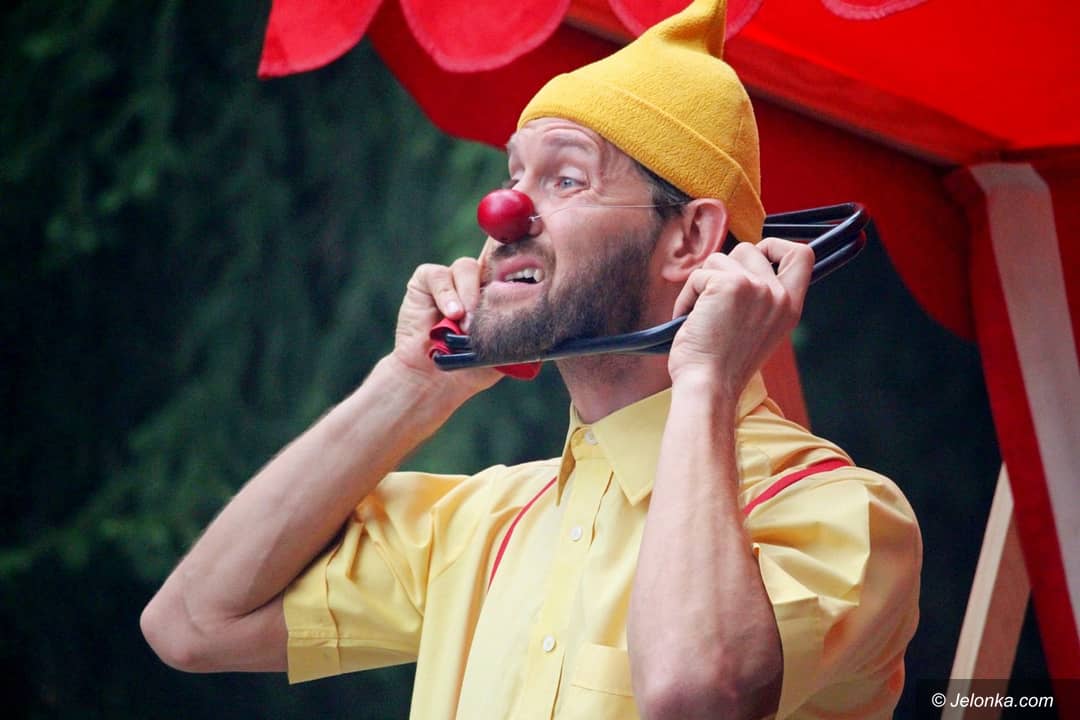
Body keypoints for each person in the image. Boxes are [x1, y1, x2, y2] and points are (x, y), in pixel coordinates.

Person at [141, 0, 921, 717]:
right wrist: (409, 385)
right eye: (515, 174)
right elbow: (192, 625)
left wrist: (707, 382)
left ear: (688, 239)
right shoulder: (486, 524)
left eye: (566, 179)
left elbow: (697, 695)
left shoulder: (838, 514)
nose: (504, 213)